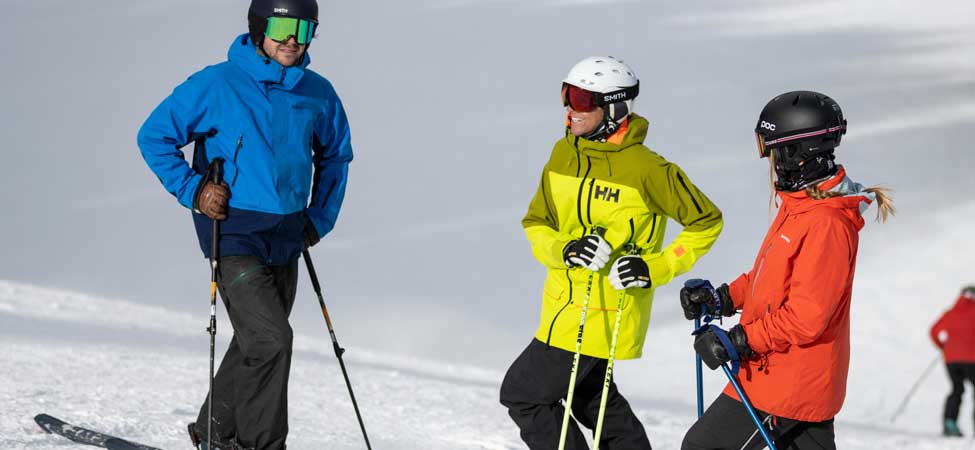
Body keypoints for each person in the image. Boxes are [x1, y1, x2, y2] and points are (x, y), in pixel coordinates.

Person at [137, 0, 352, 448]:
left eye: (303, 28)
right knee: (272, 340)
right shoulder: (217, 83)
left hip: (289, 235)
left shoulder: (317, 92)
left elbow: (335, 156)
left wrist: (319, 218)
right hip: (233, 232)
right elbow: (154, 135)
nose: (292, 38)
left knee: (257, 341)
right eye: (280, 26)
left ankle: (213, 430)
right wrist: (194, 190)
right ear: (259, 27)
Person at [500, 56, 724, 450]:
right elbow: (536, 223)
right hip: (560, 308)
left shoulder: (648, 170)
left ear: (615, 107)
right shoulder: (562, 155)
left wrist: (653, 267)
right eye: (567, 95)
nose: (571, 108)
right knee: (596, 405)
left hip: (605, 314)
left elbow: (706, 222)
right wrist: (565, 248)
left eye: (584, 99)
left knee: (524, 392)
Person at [679, 91, 894, 450]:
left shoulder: (825, 223)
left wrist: (741, 341)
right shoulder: (799, 208)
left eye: (773, 149)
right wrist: (722, 299)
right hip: (787, 377)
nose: (770, 160)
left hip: (787, 382)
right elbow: (770, 281)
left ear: (798, 153)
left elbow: (807, 316)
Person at [930, 285, 975, 437]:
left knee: (957, 389)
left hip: (951, 360)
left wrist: (943, 346)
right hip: (972, 359)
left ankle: (950, 423)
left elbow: (933, 331)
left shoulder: (950, 313)